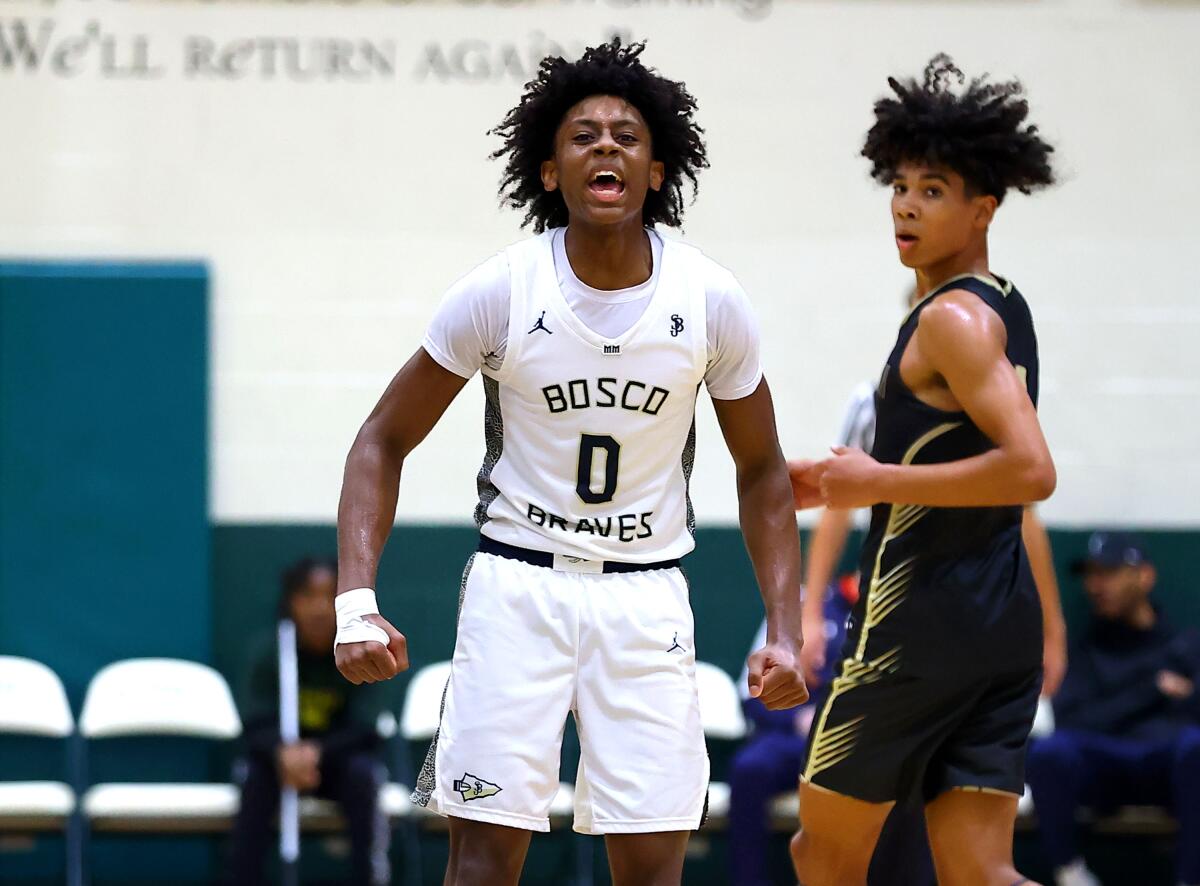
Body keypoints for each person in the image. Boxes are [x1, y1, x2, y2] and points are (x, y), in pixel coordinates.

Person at [331, 39, 808, 886]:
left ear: (657, 171)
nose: (606, 148)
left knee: (655, 860)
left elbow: (765, 469)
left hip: (646, 589)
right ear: (550, 173)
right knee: (481, 856)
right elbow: (381, 439)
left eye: (626, 136)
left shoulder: (710, 300)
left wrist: (784, 628)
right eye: (582, 136)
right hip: (518, 588)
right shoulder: (501, 290)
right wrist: (356, 601)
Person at [789, 54, 1058, 886]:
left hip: (916, 629)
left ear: (986, 205)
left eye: (933, 188)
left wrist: (876, 484)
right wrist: (847, 479)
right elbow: (970, 461)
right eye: (900, 185)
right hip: (998, 626)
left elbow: (1030, 471)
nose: (906, 203)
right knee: (980, 871)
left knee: (821, 856)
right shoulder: (1001, 302)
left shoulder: (950, 320)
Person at [1026, 532, 1200, 886]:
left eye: (1109, 571)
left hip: (1166, 766)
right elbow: (1072, 721)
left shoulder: (1184, 644)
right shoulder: (1082, 652)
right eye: (1090, 574)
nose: (1095, 585)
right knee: (1048, 753)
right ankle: (1072, 875)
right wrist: (1153, 691)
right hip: (1101, 770)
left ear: (1144, 575)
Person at [226, 557, 390, 886]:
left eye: (327, 596)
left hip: (337, 763)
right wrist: (283, 752)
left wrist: (316, 751)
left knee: (364, 776)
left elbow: (367, 726)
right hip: (278, 763)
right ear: (290, 603)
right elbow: (254, 721)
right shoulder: (270, 652)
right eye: (307, 596)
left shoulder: (358, 652)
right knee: (253, 779)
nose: (317, 608)